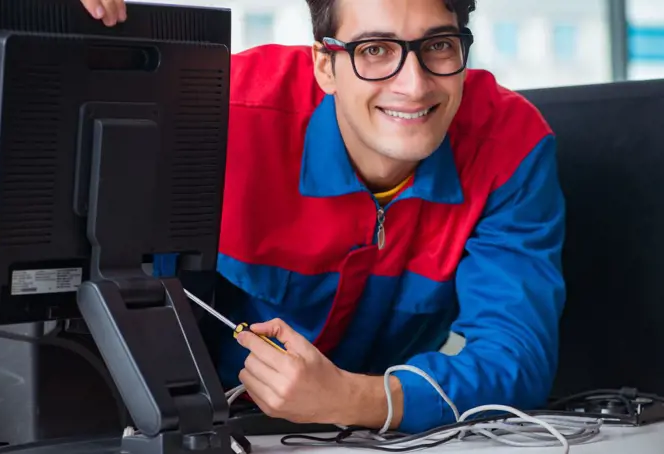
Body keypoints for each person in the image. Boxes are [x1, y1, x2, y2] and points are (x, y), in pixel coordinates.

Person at [81, 0, 566, 434]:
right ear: (325, 66)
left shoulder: (510, 145)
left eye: (438, 45)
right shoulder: (213, 112)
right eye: (375, 50)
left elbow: (516, 358)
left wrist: (351, 398)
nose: (414, 85)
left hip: (367, 439)